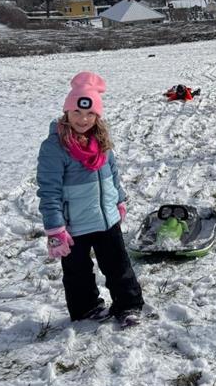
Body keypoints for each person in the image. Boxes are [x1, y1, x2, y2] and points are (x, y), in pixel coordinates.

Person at [36, 72, 145, 326]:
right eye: (76, 112)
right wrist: (55, 229)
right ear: (66, 112)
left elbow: (113, 174)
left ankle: (128, 305)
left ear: (97, 116)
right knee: (77, 272)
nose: (83, 119)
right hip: (74, 225)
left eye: (89, 114)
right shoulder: (54, 147)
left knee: (119, 265)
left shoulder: (102, 141)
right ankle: (86, 308)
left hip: (106, 218)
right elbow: (49, 191)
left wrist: (118, 200)